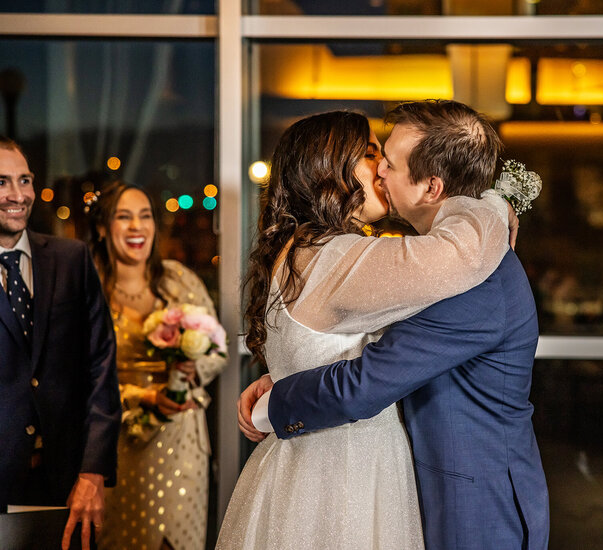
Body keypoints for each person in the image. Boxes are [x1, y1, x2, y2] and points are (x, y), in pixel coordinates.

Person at [238, 101, 549, 550]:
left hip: (474, 501)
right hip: (347, 474)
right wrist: (496, 205)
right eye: (372, 155)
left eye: (386, 159)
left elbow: (366, 378)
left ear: (430, 186)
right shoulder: (362, 256)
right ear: (329, 173)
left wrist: (278, 395)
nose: (381, 170)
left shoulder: (478, 276)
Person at [87, 181, 227, 550]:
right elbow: (76, 378)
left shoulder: (180, 279)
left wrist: (192, 369)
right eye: (124, 217)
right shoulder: (87, 287)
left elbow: (217, 350)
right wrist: (143, 395)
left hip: (182, 442)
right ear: (102, 228)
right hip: (118, 443)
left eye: (145, 216)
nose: (137, 227)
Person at [0, 136, 121, 550]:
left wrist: (93, 472)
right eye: (1, 182)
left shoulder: (72, 259)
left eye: (25, 180)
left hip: (66, 484)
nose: (17, 195)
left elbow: (102, 366)